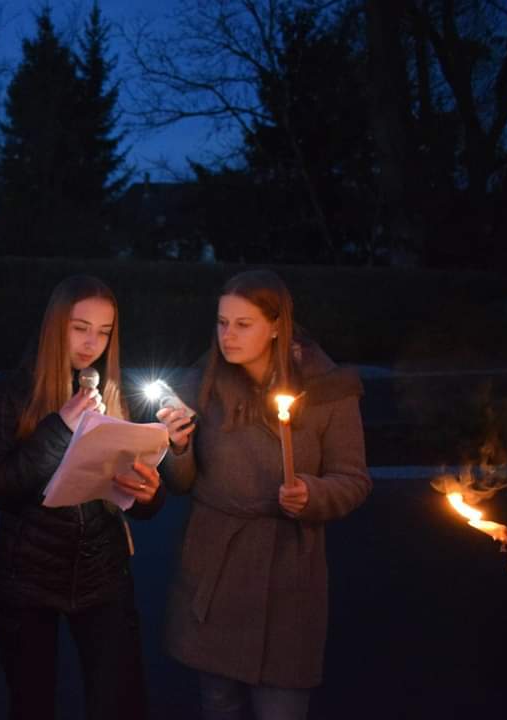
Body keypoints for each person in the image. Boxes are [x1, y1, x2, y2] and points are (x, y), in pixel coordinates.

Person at [157, 269, 371, 720]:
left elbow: (353, 479)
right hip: (216, 571)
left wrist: (312, 494)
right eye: (221, 323)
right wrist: (176, 448)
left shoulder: (327, 388)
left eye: (242, 324)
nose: (228, 336)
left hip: (286, 574)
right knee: (219, 703)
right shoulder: (203, 384)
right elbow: (181, 482)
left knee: (281, 706)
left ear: (276, 326)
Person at [0, 275, 164, 720]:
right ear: (55, 325)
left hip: (102, 570)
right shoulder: (13, 390)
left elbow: (139, 497)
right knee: (32, 702)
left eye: (104, 331)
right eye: (80, 328)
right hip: (28, 572)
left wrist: (149, 494)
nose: (91, 343)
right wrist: (60, 426)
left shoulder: (117, 392)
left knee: (118, 701)